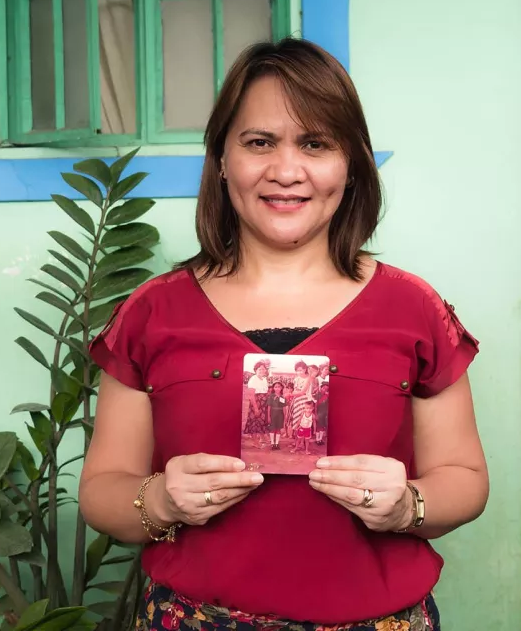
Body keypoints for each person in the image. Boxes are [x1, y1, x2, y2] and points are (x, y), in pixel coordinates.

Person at [79, 37, 488, 631]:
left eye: (316, 144)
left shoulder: (415, 309)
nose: (286, 171)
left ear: (350, 165)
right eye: (259, 142)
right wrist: (161, 499)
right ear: (221, 159)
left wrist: (409, 506)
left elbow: (466, 480)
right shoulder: (153, 313)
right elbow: (101, 494)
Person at [243, 360, 270, 447]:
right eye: (259, 369)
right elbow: (251, 395)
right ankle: (255, 442)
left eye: (263, 369)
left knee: (261, 422)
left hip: (263, 403)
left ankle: (261, 438)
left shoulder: (264, 379)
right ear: (255, 370)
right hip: (256, 402)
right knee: (254, 422)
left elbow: (266, 392)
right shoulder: (253, 379)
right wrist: (255, 408)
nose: (262, 371)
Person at [267, 381, 288, 449]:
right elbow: (269, 407)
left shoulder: (282, 397)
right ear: (273, 388)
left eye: (279, 387)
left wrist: (285, 415)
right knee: (272, 429)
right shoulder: (271, 396)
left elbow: (284, 407)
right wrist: (268, 416)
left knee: (278, 429)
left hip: (280, 414)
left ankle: (277, 443)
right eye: (276, 387)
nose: (277, 388)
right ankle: (272, 443)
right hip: (273, 414)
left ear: (281, 388)